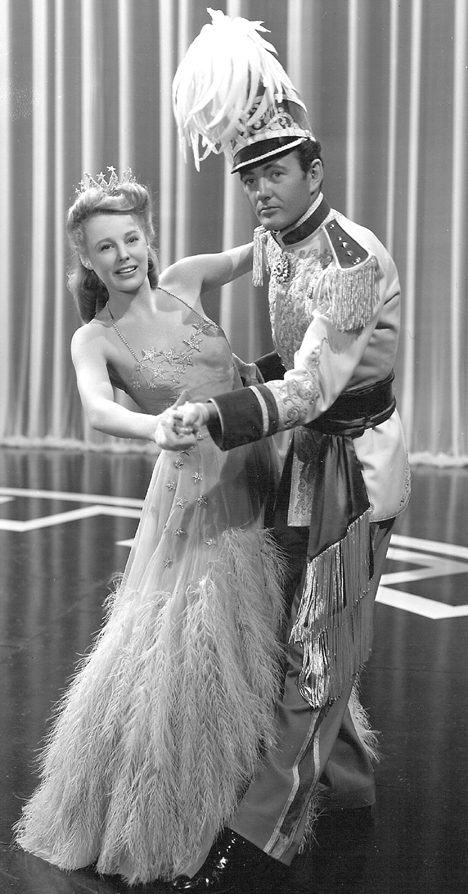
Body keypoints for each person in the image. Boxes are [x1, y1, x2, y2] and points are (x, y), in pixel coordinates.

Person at [158, 10, 411, 892]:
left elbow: (311, 388)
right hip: (302, 460)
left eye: (274, 172)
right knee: (302, 633)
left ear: (315, 171)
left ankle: (254, 842)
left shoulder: (349, 259)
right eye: (248, 176)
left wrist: (220, 411)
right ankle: (350, 789)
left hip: (354, 469)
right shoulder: (274, 239)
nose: (259, 190)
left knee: (312, 652)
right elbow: (280, 356)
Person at [14, 169, 286, 885]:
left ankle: (270, 785)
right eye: (106, 247)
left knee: (272, 624)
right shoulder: (95, 337)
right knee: (194, 639)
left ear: (149, 235)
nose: (124, 255)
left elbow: (265, 245)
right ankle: (185, 798)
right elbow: (97, 409)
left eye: (131, 238)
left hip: (258, 463)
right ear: (87, 259)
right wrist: (154, 426)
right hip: (196, 484)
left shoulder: (188, 279)